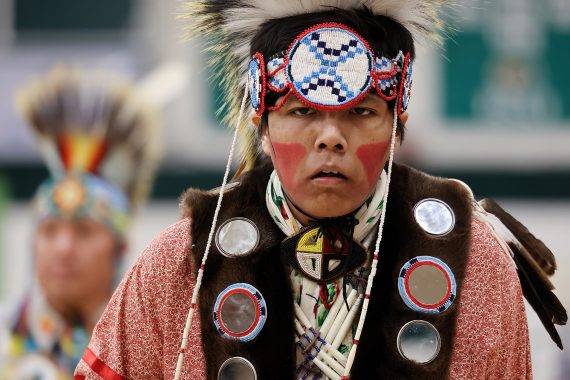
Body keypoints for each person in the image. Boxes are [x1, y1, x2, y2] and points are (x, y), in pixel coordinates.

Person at [75, 1, 566, 379]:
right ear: (261, 121)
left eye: (361, 111)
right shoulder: (181, 263)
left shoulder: (474, 264)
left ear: (399, 121)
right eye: (301, 111)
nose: (330, 137)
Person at [0, 66, 160, 379]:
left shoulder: (153, 351)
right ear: (33, 243)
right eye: (49, 231)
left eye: (84, 232)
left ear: (119, 247)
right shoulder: (6, 339)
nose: (63, 248)